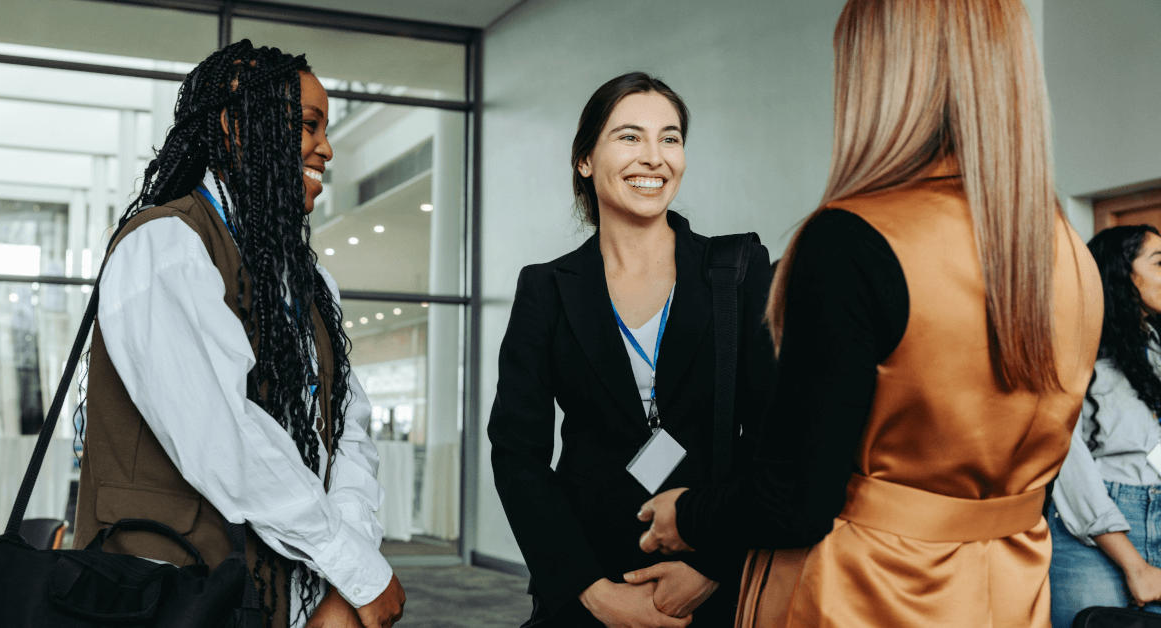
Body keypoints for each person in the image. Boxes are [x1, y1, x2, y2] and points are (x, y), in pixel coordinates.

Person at [635, 1, 1104, 626]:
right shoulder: (1068, 251)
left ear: (881, 75)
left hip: (867, 594)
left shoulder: (852, 240)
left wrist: (686, 516)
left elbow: (794, 498)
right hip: (1010, 593)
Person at [72, 40, 405, 628]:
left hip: (286, 597)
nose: (326, 148)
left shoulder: (308, 278)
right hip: (168, 594)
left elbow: (348, 431)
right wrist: (356, 568)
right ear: (233, 126)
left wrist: (342, 582)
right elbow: (219, 436)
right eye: (308, 125)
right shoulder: (164, 246)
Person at [488, 72, 775, 628]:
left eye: (670, 138)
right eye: (629, 137)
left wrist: (714, 566)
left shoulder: (735, 271)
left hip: (711, 574)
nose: (654, 157)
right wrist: (593, 593)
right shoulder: (546, 288)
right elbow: (516, 454)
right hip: (587, 578)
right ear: (585, 161)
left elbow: (771, 436)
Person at [1051, 224, 1161, 626]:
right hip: (1096, 530)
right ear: (1119, 273)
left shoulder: (1154, 347)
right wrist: (1133, 564)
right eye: (1159, 262)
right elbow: (1067, 463)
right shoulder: (1073, 350)